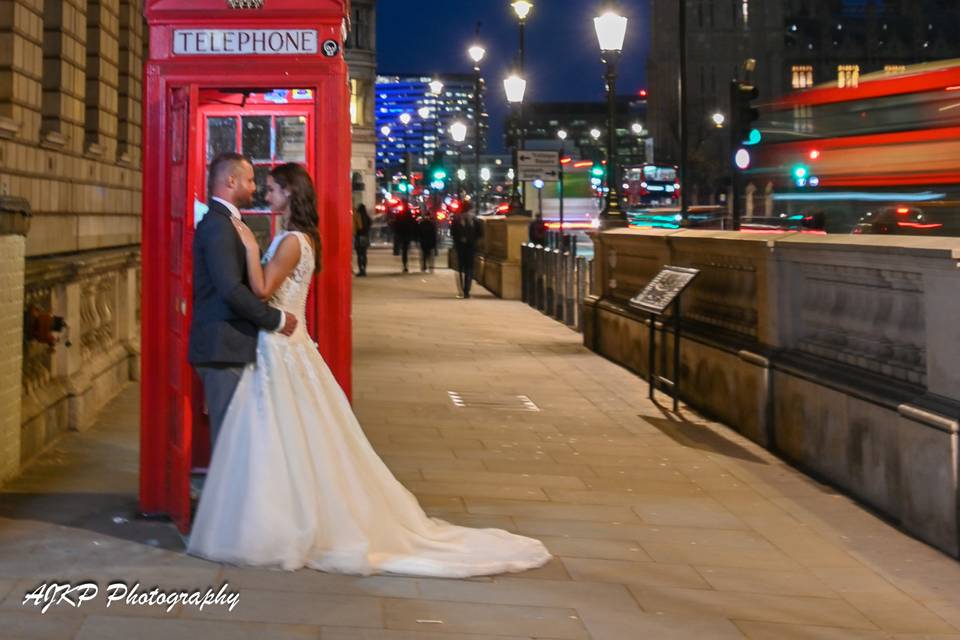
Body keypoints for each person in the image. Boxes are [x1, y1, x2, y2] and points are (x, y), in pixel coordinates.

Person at [187, 163, 550, 577]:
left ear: (289, 194)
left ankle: (281, 521)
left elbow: (261, 290)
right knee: (285, 441)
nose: (263, 194)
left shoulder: (289, 241)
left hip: (280, 345)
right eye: (259, 185)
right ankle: (275, 515)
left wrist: (252, 251)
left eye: (270, 188)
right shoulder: (292, 237)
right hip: (277, 346)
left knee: (282, 439)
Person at [188, 153, 297, 448]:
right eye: (249, 180)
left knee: (238, 444)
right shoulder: (219, 226)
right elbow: (230, 290)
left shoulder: (227, 223)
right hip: (223, 349)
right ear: (231, 181)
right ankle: (224, 496)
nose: (254, 188)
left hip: (230, 347)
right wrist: (275, 319)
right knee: (228, 444)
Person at [450, 201, 483, 299]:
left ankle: (463, 290)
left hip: (462, 247)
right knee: (469, 268)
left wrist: (459, 239)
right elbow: (481, 233)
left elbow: (453, 232)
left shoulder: (457, 219)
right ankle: (466, 290)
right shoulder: (474, 219)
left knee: (462, 268)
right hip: (470, 248)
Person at [353, 203, 371, 276]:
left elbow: (358, 227)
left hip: (359, 236)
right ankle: (364, 269)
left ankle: (361, 269)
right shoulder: (367, 217)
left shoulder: (357, 216)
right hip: (366, 236)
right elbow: (370, 224)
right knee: (364, 254)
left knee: (359, 254)